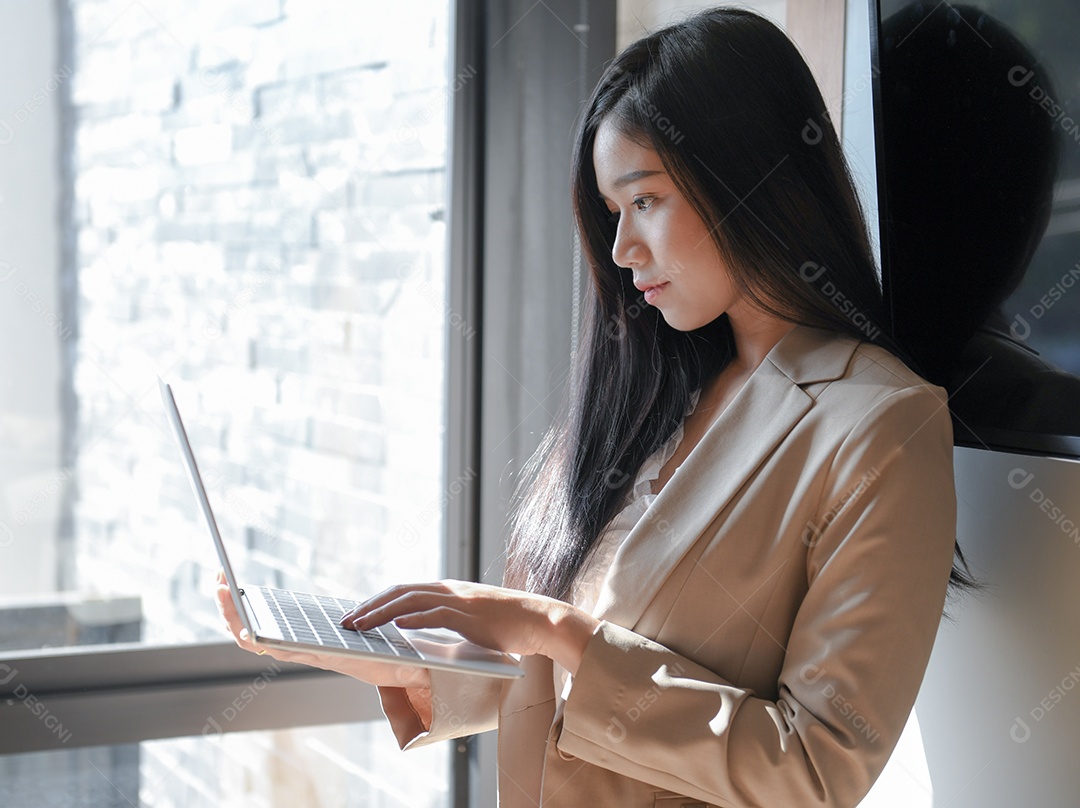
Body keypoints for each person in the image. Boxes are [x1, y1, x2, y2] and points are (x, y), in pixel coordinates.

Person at [218, 7, 967, 806]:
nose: (621, 251)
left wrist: (554, 628)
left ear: (748, 176)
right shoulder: (663, 389)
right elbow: (577, 681)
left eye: (645, 201)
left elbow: (815, 770)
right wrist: (405, 660)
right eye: (613, 214)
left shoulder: (883, 423)